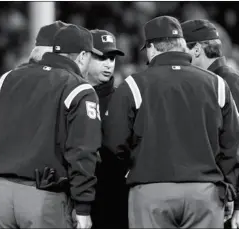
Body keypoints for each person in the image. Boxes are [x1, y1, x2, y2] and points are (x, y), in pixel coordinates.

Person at [102, 15, 239, 228]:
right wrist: (229, 185)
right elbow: (232, 142)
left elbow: (114, 142)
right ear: (182, 45)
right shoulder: (217, 84)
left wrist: (134, 167)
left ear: (152, 48)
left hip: (151, 189)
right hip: (205, 192)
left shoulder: (133, 85)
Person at [0, 24, 102, 229]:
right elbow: (83, 152)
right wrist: (83, 206)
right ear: (82, 56)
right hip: (43, 196)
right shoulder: (79, 88)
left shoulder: (10, 77)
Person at [181, 19, 239, 229]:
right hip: (222, 196)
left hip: (237, 202)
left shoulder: (229, 81)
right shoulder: (208, 81)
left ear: (197, 49)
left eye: (181, 49)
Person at [85, 29, 128, 229]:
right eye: (101, 57)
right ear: (84, 56)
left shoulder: (124, 99)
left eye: (111, 58)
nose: (108, 64)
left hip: (115, 196)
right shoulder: (69, 96)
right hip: (79, 194)